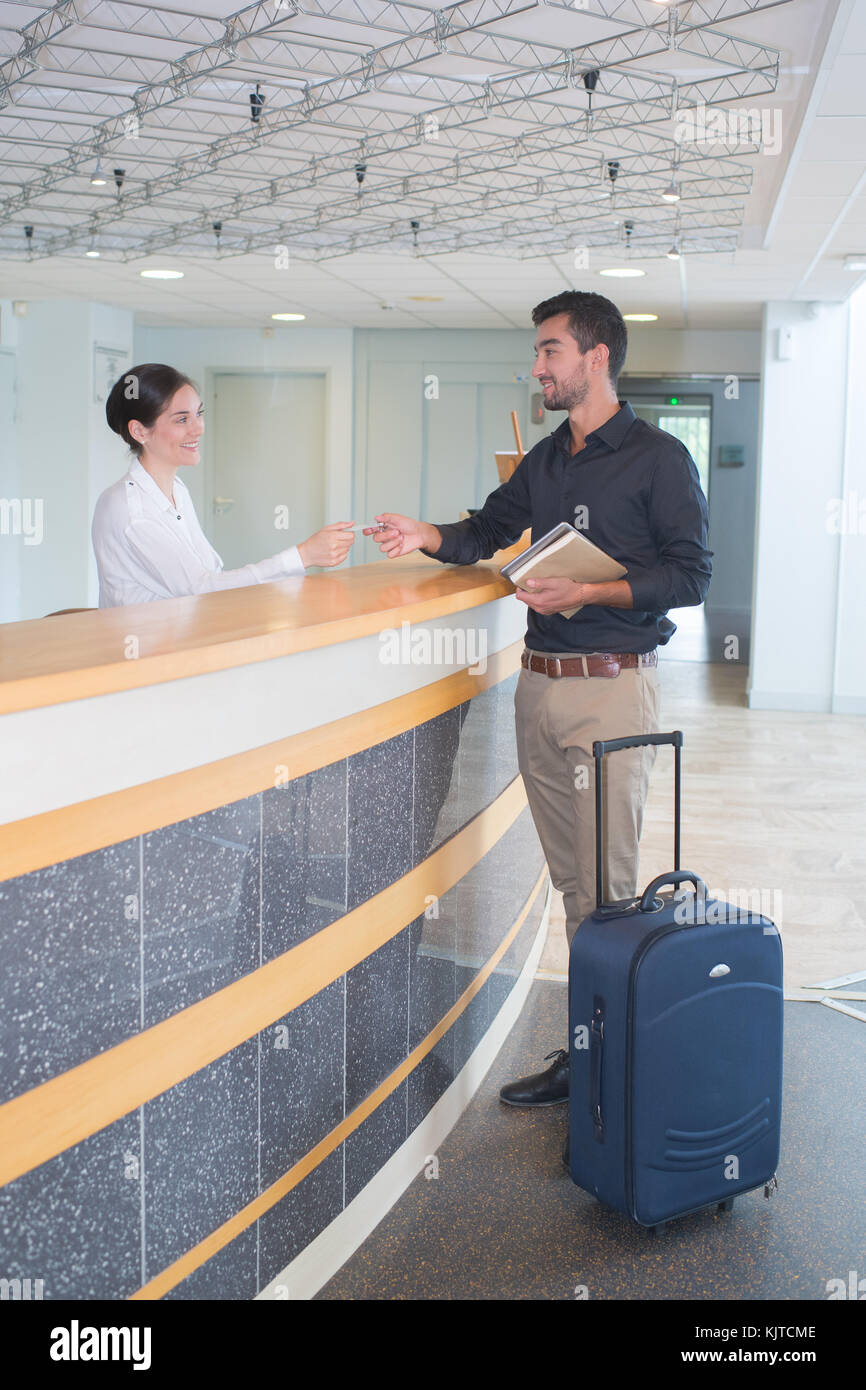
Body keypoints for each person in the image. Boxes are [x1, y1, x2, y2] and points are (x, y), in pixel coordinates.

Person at [364, 290, 712, 1121]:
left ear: (596, 357)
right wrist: (428, 535)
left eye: (550, 352)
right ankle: (592, 1052)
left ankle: (619, 1073)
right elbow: (487, 530)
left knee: (613, 889)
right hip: (540, 689)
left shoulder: (660, 459)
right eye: (539, 354)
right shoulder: (551, 459)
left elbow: (692, 575)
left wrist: (591, 587)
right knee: (574, 887)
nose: (537, 368)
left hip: (612, 693)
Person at [93, 363, 354, 607]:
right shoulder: (132, 512)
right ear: (140, 432)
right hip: (145, 650)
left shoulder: (177, 490)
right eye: (182, 419)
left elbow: (210, 574)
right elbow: (201, 588)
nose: (198, 429)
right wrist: (303, 555)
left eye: (199, 414)